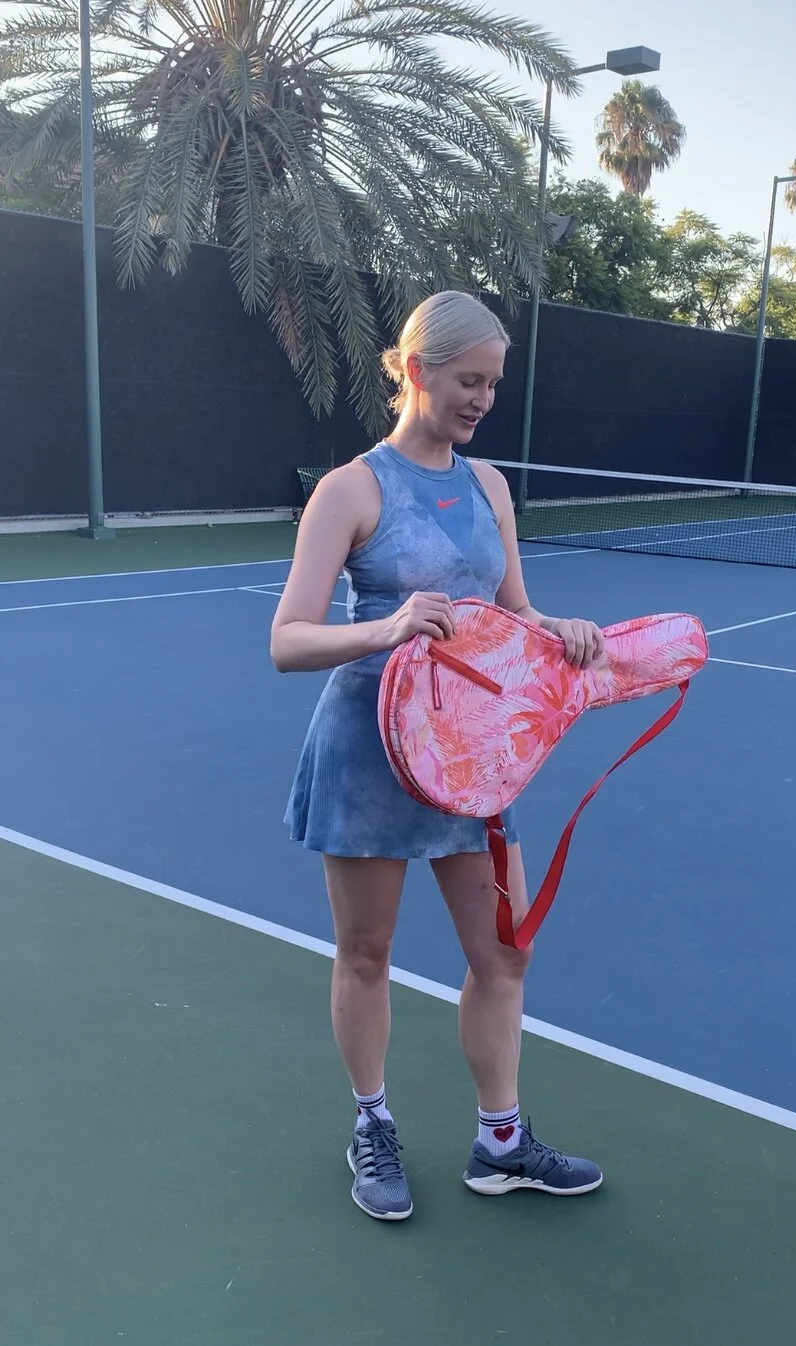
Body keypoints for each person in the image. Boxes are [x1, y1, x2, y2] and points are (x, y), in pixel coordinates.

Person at [271, 290, 605, 1222]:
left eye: (492, 384)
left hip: (471, 758)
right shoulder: (351, 490)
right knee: (366, 951)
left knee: (505, 952)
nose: (482, 400)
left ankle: (500, 1145)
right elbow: (287, 640)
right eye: (468, 380)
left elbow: (513, 611)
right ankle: (371, 1124)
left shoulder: (489, 486)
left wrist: (559, 631)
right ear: (417, 371)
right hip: (367, 754)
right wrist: (387, 627)